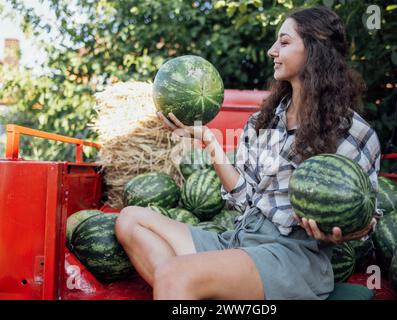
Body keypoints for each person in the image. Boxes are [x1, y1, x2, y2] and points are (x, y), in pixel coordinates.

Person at [115, 5, 380, 300]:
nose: (271, 50)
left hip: (292, 257)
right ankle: (189, 290)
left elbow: (366, 217)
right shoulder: (262, 121)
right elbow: (245, 198)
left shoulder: (352, 132)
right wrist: (209, 141)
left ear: (316, 47)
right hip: (242, 240)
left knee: (174, 274)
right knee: (130, 220)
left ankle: (182, 285)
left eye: (284, 41)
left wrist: (344, 231)